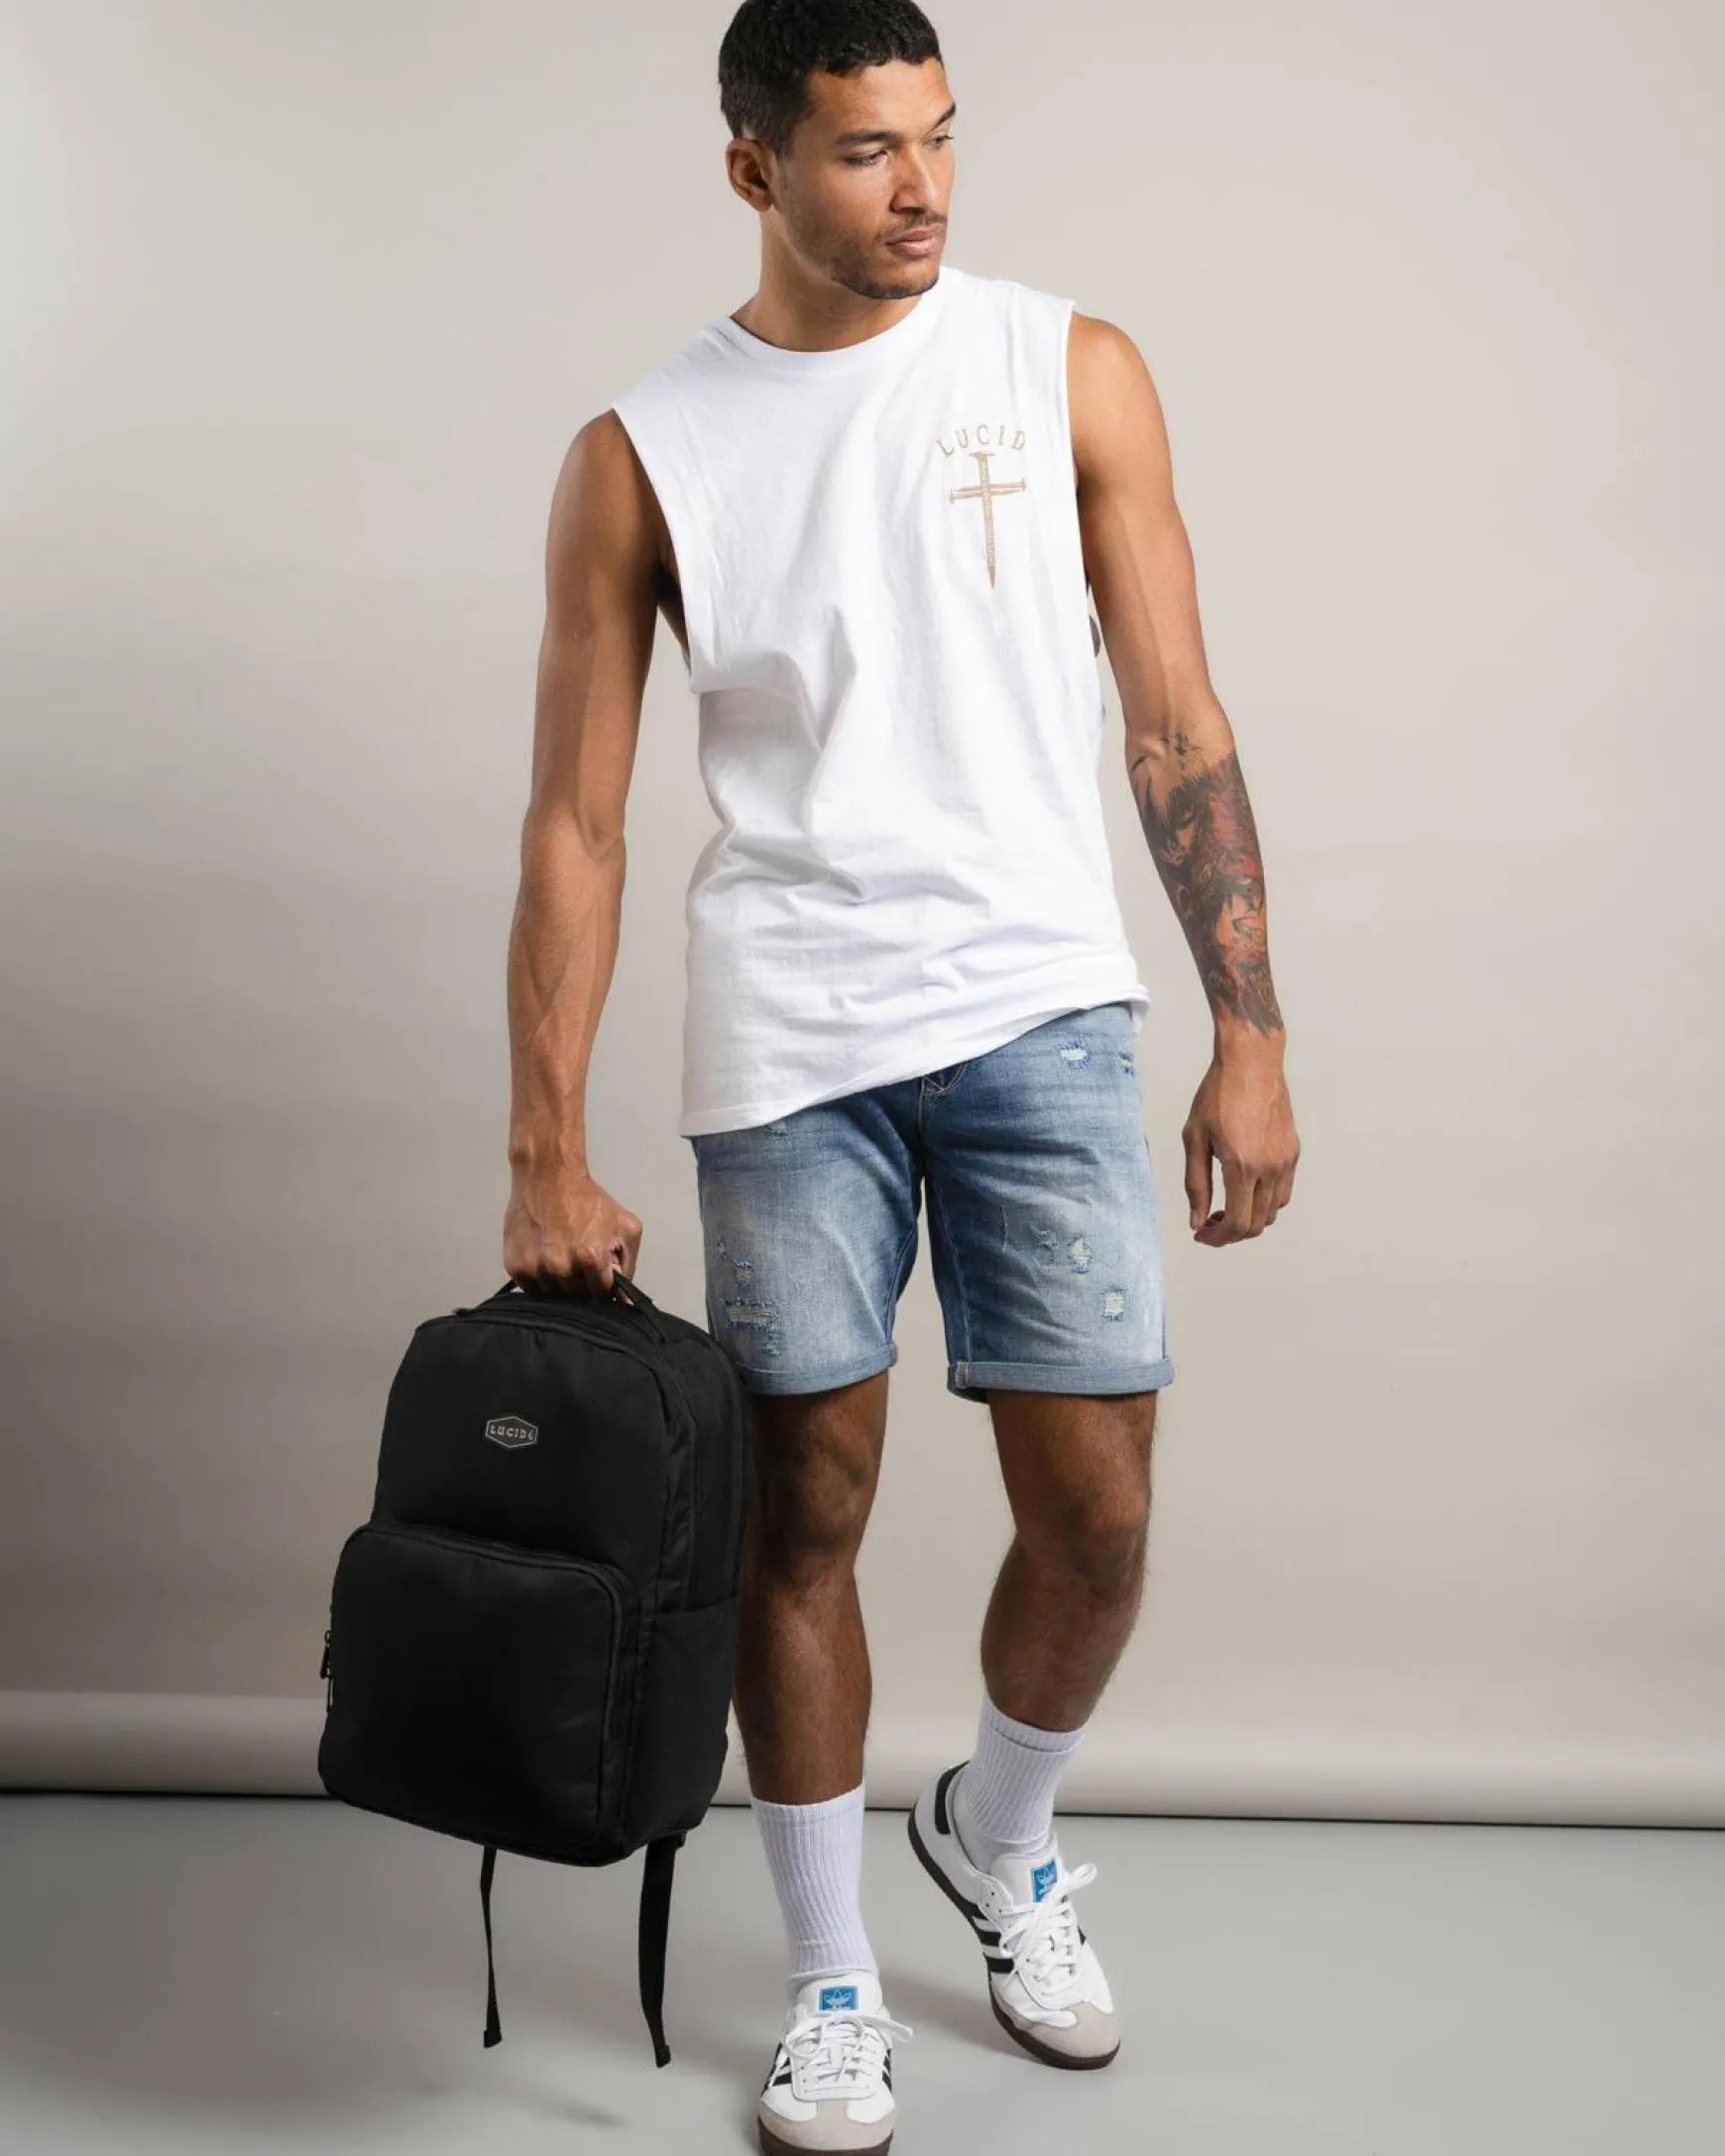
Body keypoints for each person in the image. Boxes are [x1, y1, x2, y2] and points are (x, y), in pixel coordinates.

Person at [503, 2, 1300, 2148]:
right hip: (791, 1036)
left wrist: (1250, 1025)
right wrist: (543, 1143)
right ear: (754, 168)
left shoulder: (1069, 368)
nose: (923, 186)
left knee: (1099, 1515)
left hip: (1045, 1005)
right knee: (806, 1517)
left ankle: (998, 1831)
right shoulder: (644, 452)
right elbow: (576, 823)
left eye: (941, 137)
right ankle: (833, 1976)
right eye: (867, 151)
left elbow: (1178, 721)